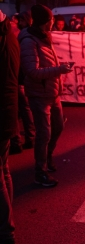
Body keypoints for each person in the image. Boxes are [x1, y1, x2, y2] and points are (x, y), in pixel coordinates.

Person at [19, 4, 72, 187]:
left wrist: (58, 74)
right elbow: (32, 71)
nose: (53, 24)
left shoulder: (44, 37)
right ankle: (39, 172)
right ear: (44, 21)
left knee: (58, 127)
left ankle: (48, 158)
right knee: (44, 133)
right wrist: (59, 70)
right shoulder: (29, 41)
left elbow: (47, 62)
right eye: (50, 20)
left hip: (52, 92)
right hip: (39, 95)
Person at [0, 10, 19, 244]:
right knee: (3, 170)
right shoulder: (11, 38)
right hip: (6, 113)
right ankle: (8, 222)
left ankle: (5, 233)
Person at [9, 12, 35, 154]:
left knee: (13, 110)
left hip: (13, 77)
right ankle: (30, 137)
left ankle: (16, 141)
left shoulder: (14, 35)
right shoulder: (27, 35)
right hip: (22, 77)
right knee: (25, 108)